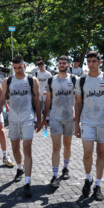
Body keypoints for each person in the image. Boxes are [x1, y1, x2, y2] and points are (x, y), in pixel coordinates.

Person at [74, 51, 104, 201]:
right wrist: (76, 125)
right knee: (87, 152)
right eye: (89, 61)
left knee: (101, 153)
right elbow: (78, 103)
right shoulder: (81, 80)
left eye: (94, 61)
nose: (91, 64)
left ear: (99, 62)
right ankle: (88, 178)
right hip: (87, 121)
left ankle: (98, 185)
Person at [0, 55, 42, 198]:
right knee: (15, 149)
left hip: (27, 119)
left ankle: (27, 183)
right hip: (13, 120)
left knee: (27, 149)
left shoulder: (32, 80)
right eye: (14, 68)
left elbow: (37, 99)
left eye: (19, 67)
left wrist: (39, 120)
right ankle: (20, 168)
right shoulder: (8, 81)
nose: (17, 70)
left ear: (24, 66)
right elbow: (2, 99)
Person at [42, 55, 77, 188]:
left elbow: (79, 100)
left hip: (70, 118)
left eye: (64, 63)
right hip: (55, 117)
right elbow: (48, 100)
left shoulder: (74, 79)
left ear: (68, 65)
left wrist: (78, 115)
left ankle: (66, 168)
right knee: (56, 146)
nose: (61, 65)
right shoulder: (51, 80)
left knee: (67, 145)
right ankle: (55, 176)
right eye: (60, 63)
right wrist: (44, 118)